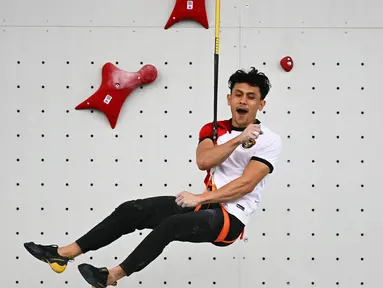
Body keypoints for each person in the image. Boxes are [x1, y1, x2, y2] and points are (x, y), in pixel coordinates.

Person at [23, 67, 282, 288]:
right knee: (133, 210)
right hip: (205, 203)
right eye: (238, 95)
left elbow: (245, 185)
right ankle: (63, 254)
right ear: (228, 99)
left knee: (170, 224)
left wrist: (199, 198)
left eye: (251, 97)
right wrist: (238, 139)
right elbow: (204, 161)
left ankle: (110, 277)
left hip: (230, 218)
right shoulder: (214, 129)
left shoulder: (269, 140)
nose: (243, 101)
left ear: (261, 104)